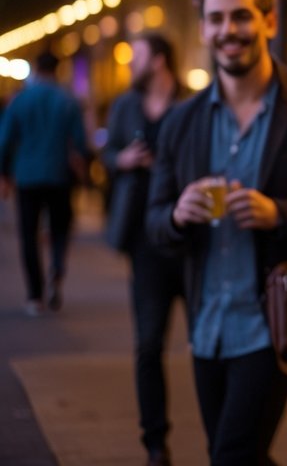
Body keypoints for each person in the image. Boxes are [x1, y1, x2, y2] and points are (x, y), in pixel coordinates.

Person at [146, 0, 287, 466]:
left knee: (231, 454)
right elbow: (154, 222)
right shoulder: (182, 122)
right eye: (216, 19)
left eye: (241, 17)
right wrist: (177, 216)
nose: (228, 31)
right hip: (206, 325)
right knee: (233, 453)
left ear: (269, 22)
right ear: (204, 27)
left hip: (273, 320)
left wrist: (278, 213)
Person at [102, 33, 186, 466]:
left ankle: (227, 439)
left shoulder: (192, 101)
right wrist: (123, 161)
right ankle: (155, 441)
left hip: (190, 242)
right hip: (144, 242)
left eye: (136, 55)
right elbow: (107, 154)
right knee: (148, 344)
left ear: (158, 59)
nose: (130, 62)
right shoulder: (125, 105)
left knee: (209, 342)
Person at [0, 50, 89, 317]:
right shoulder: (68, 100)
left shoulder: (21, 99)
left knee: (29, 234)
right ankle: (57, 267)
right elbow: (81, 141)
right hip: (59, 174)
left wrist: (4, 173)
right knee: (60, 228)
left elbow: (5, 140)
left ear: (36, 68)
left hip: (27, 176)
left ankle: (34, 295)